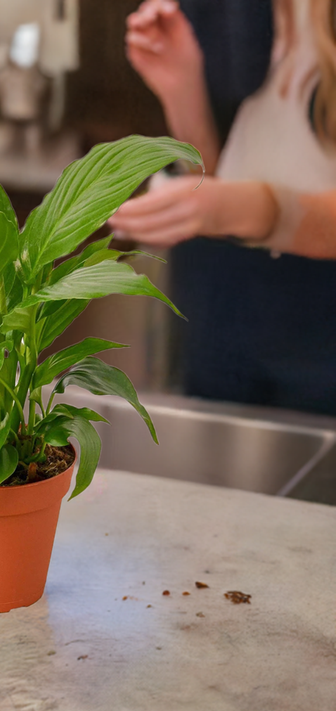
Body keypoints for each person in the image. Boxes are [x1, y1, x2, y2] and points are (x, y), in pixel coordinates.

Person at [109, 0, 336, 415]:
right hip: (227, 313)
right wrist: (184, 90)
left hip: (319, 328)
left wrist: (263, 209)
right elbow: (217, 176)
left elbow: (248, 206)